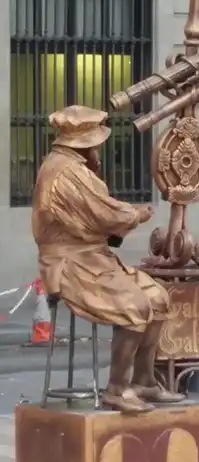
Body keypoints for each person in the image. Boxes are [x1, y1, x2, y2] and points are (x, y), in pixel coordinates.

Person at [31, 105, 185, 413]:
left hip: (94, 256)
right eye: (97, 144)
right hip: (70, 263)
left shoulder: (76, 166)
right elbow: (105, 214)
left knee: (157, 298)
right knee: (135, 306)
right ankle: (117, 388)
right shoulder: (66, 171)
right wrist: (136, 214)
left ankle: (143, 380)